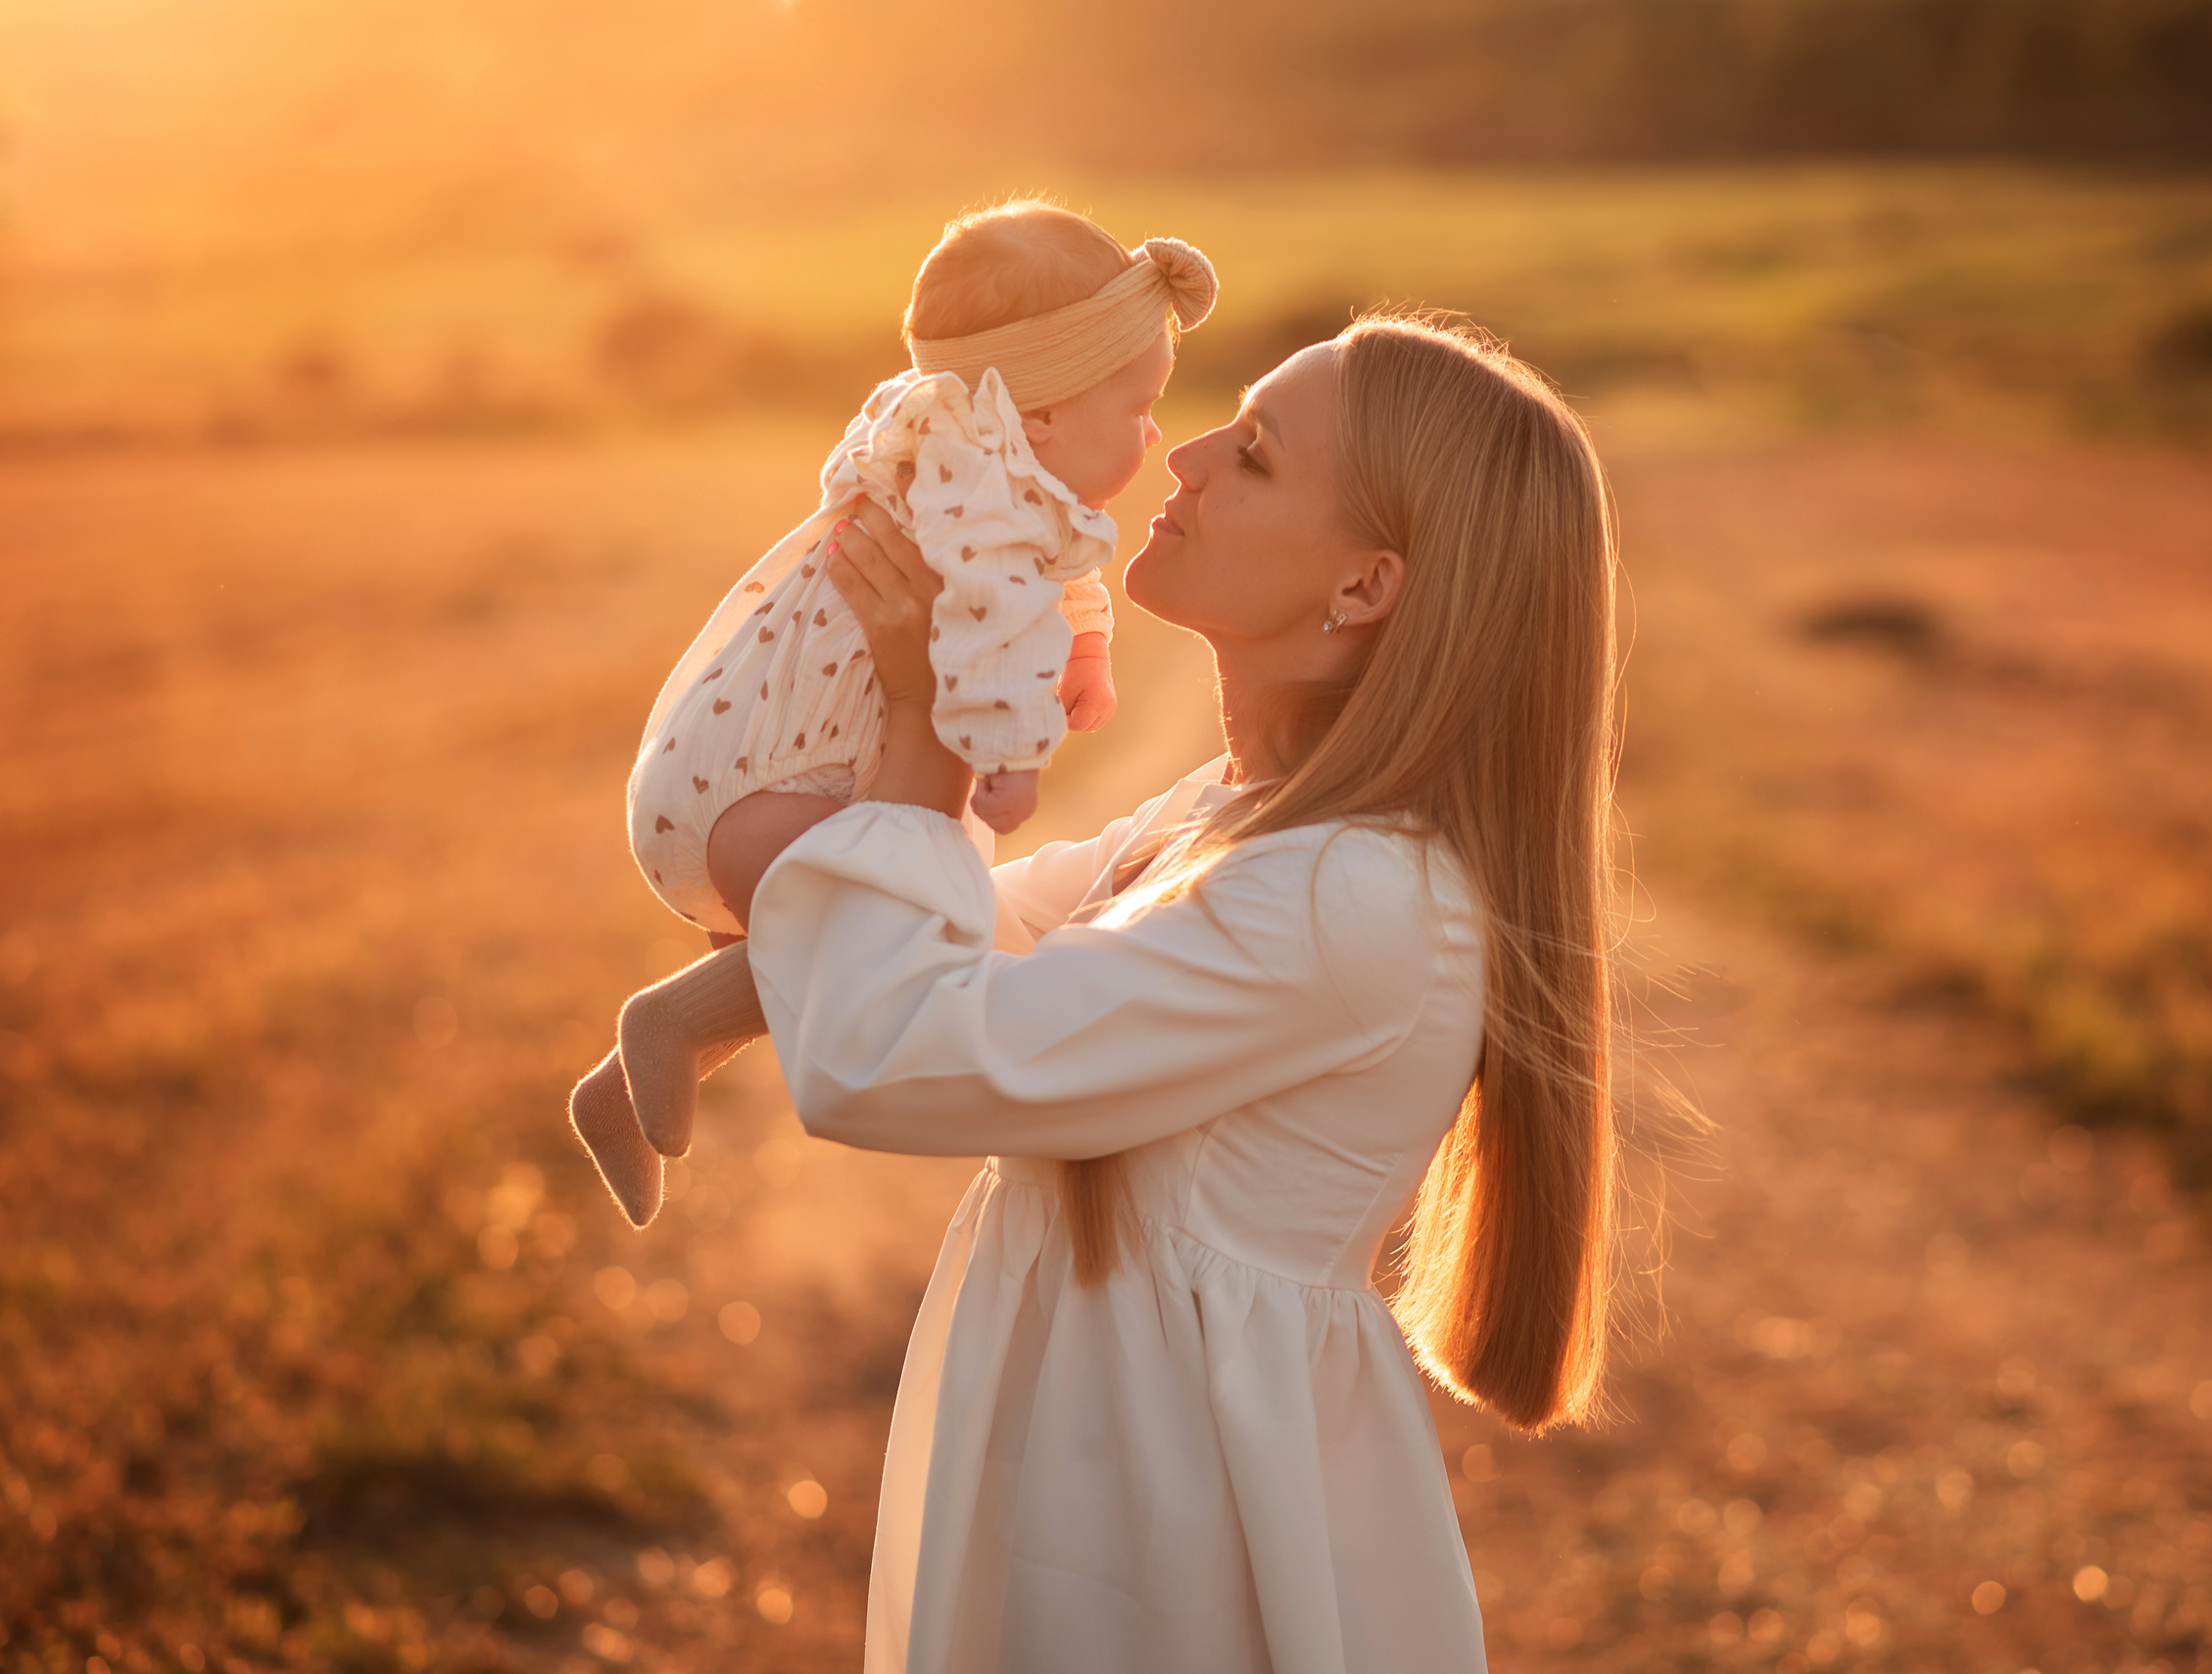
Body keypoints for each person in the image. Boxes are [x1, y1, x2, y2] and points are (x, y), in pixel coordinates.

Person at [747, 311, 1623, 1674]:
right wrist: (695, 1002)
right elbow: (959, 927)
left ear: (1363, 589)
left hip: (1170, 1534)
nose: (1188, 452)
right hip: (1098, 1463)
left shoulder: (1347, 896)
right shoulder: (1226, 816)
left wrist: (933, 724)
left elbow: (887, 1051)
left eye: (1257, 454)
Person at [566, 204, 1219, 1224]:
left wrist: (1086, 647)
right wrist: (1007, 755)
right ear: (1038, 416)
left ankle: (634, 1065)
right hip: (791, 783)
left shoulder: (955, 456)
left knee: (817, 934)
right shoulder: (981, 511)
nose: (1156, 434)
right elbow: (991, 626)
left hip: (753, 766)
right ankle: (669, 1025)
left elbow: (1052, 568)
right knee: (922, 919)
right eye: (1139, 407)